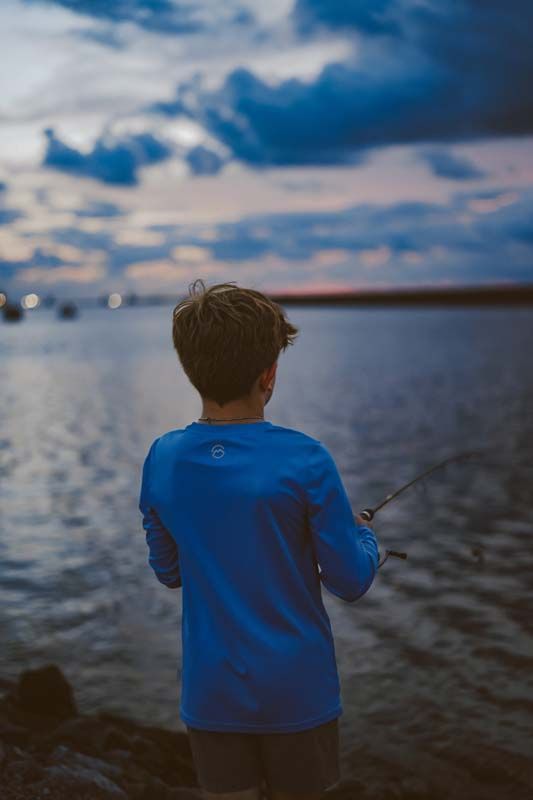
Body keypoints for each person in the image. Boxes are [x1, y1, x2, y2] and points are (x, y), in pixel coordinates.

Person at [138, 279, 380, 800]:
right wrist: (366, 538)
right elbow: (352, 580)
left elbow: (169, 571)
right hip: (299, 693)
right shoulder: (306, 459)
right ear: (268, 375)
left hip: (211, 694)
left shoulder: (163, 457)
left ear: (189, 369)